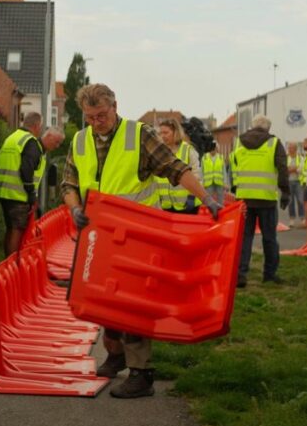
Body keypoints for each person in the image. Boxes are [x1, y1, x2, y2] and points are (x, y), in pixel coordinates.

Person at [61, 83, 221, 399]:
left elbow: (175, 169)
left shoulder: (139, 135)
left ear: (115, 106)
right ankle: (117, 355)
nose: (96, 123)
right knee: (101, 300)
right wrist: (75, 208)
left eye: (101, 115)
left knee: (132, 305)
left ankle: (141, 373)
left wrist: (206, 198)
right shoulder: (80, 140)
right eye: (90, 117)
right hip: (100, 235)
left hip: (137, 234)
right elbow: (70, 182)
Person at [0, 113, 64, 256]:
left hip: (3, 191)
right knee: (17, 229)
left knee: (10, 228)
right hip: (18, 194)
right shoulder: (30, 143)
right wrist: (31, 195)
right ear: (37, 126)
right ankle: (13, 264)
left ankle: (8, 263)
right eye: (56, 142)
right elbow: (26, 169)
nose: (57, 146)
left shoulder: (13, 138)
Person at [231, 114, 290, 286]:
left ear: (252, 126)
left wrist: (236, 188)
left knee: (245, 237)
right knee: (269, 238)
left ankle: (241, 274)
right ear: (268, 129)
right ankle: (269, 274)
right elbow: (282, 168)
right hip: (266, 200)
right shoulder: (274, 143)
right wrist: (285, 192)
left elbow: (234, 167)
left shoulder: (239, 142)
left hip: (245, 199)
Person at [156, 118, 203, 214]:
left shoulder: (188, 150)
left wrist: (192, 197)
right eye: (160, 133)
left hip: (188, 205)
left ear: (175, 132)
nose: (162, 136)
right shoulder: (159, 152)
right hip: (165, 205)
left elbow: (196, 176)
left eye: (166, 133)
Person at [286, 142, 307, 227]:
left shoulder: (300, 158)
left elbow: (301, 169)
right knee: (290, 201)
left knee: (300, 200)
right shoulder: (286, 158)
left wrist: (292, 169)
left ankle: (302, 218)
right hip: (289, 181)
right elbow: (284, 169)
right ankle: (292, 219)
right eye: (289, 148)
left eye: (292, 148)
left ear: (295, 149)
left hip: (298, 181)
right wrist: (294, 168)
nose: (290, 149)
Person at [202, 141, 226, 206]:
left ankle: (221, 211)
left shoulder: (221, 157)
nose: (213, 150)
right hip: (208, 183)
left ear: (217, 149)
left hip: (219, 182)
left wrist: (225, 183)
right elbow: (202, 171)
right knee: (208, 198)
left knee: (220, 198)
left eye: (214, 148)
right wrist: (202, 183)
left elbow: (224, 171)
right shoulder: (204, 158)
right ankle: (208, 211)